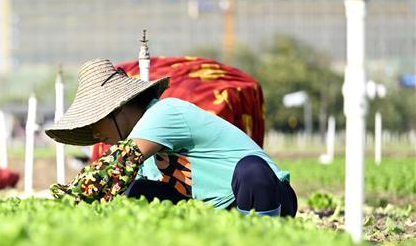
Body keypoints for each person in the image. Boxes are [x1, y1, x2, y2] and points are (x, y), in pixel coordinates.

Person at [46, 58, 297, 217]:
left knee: (251, 170)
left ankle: (261, 237)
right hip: (215, 213)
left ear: (118, 108)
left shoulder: (164, 113)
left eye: (96, 122)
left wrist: (67, 200)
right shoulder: (139, 146)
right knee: (138, 190)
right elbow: (120, 184)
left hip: (267, 197)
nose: (95, 134)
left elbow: (115, 166)